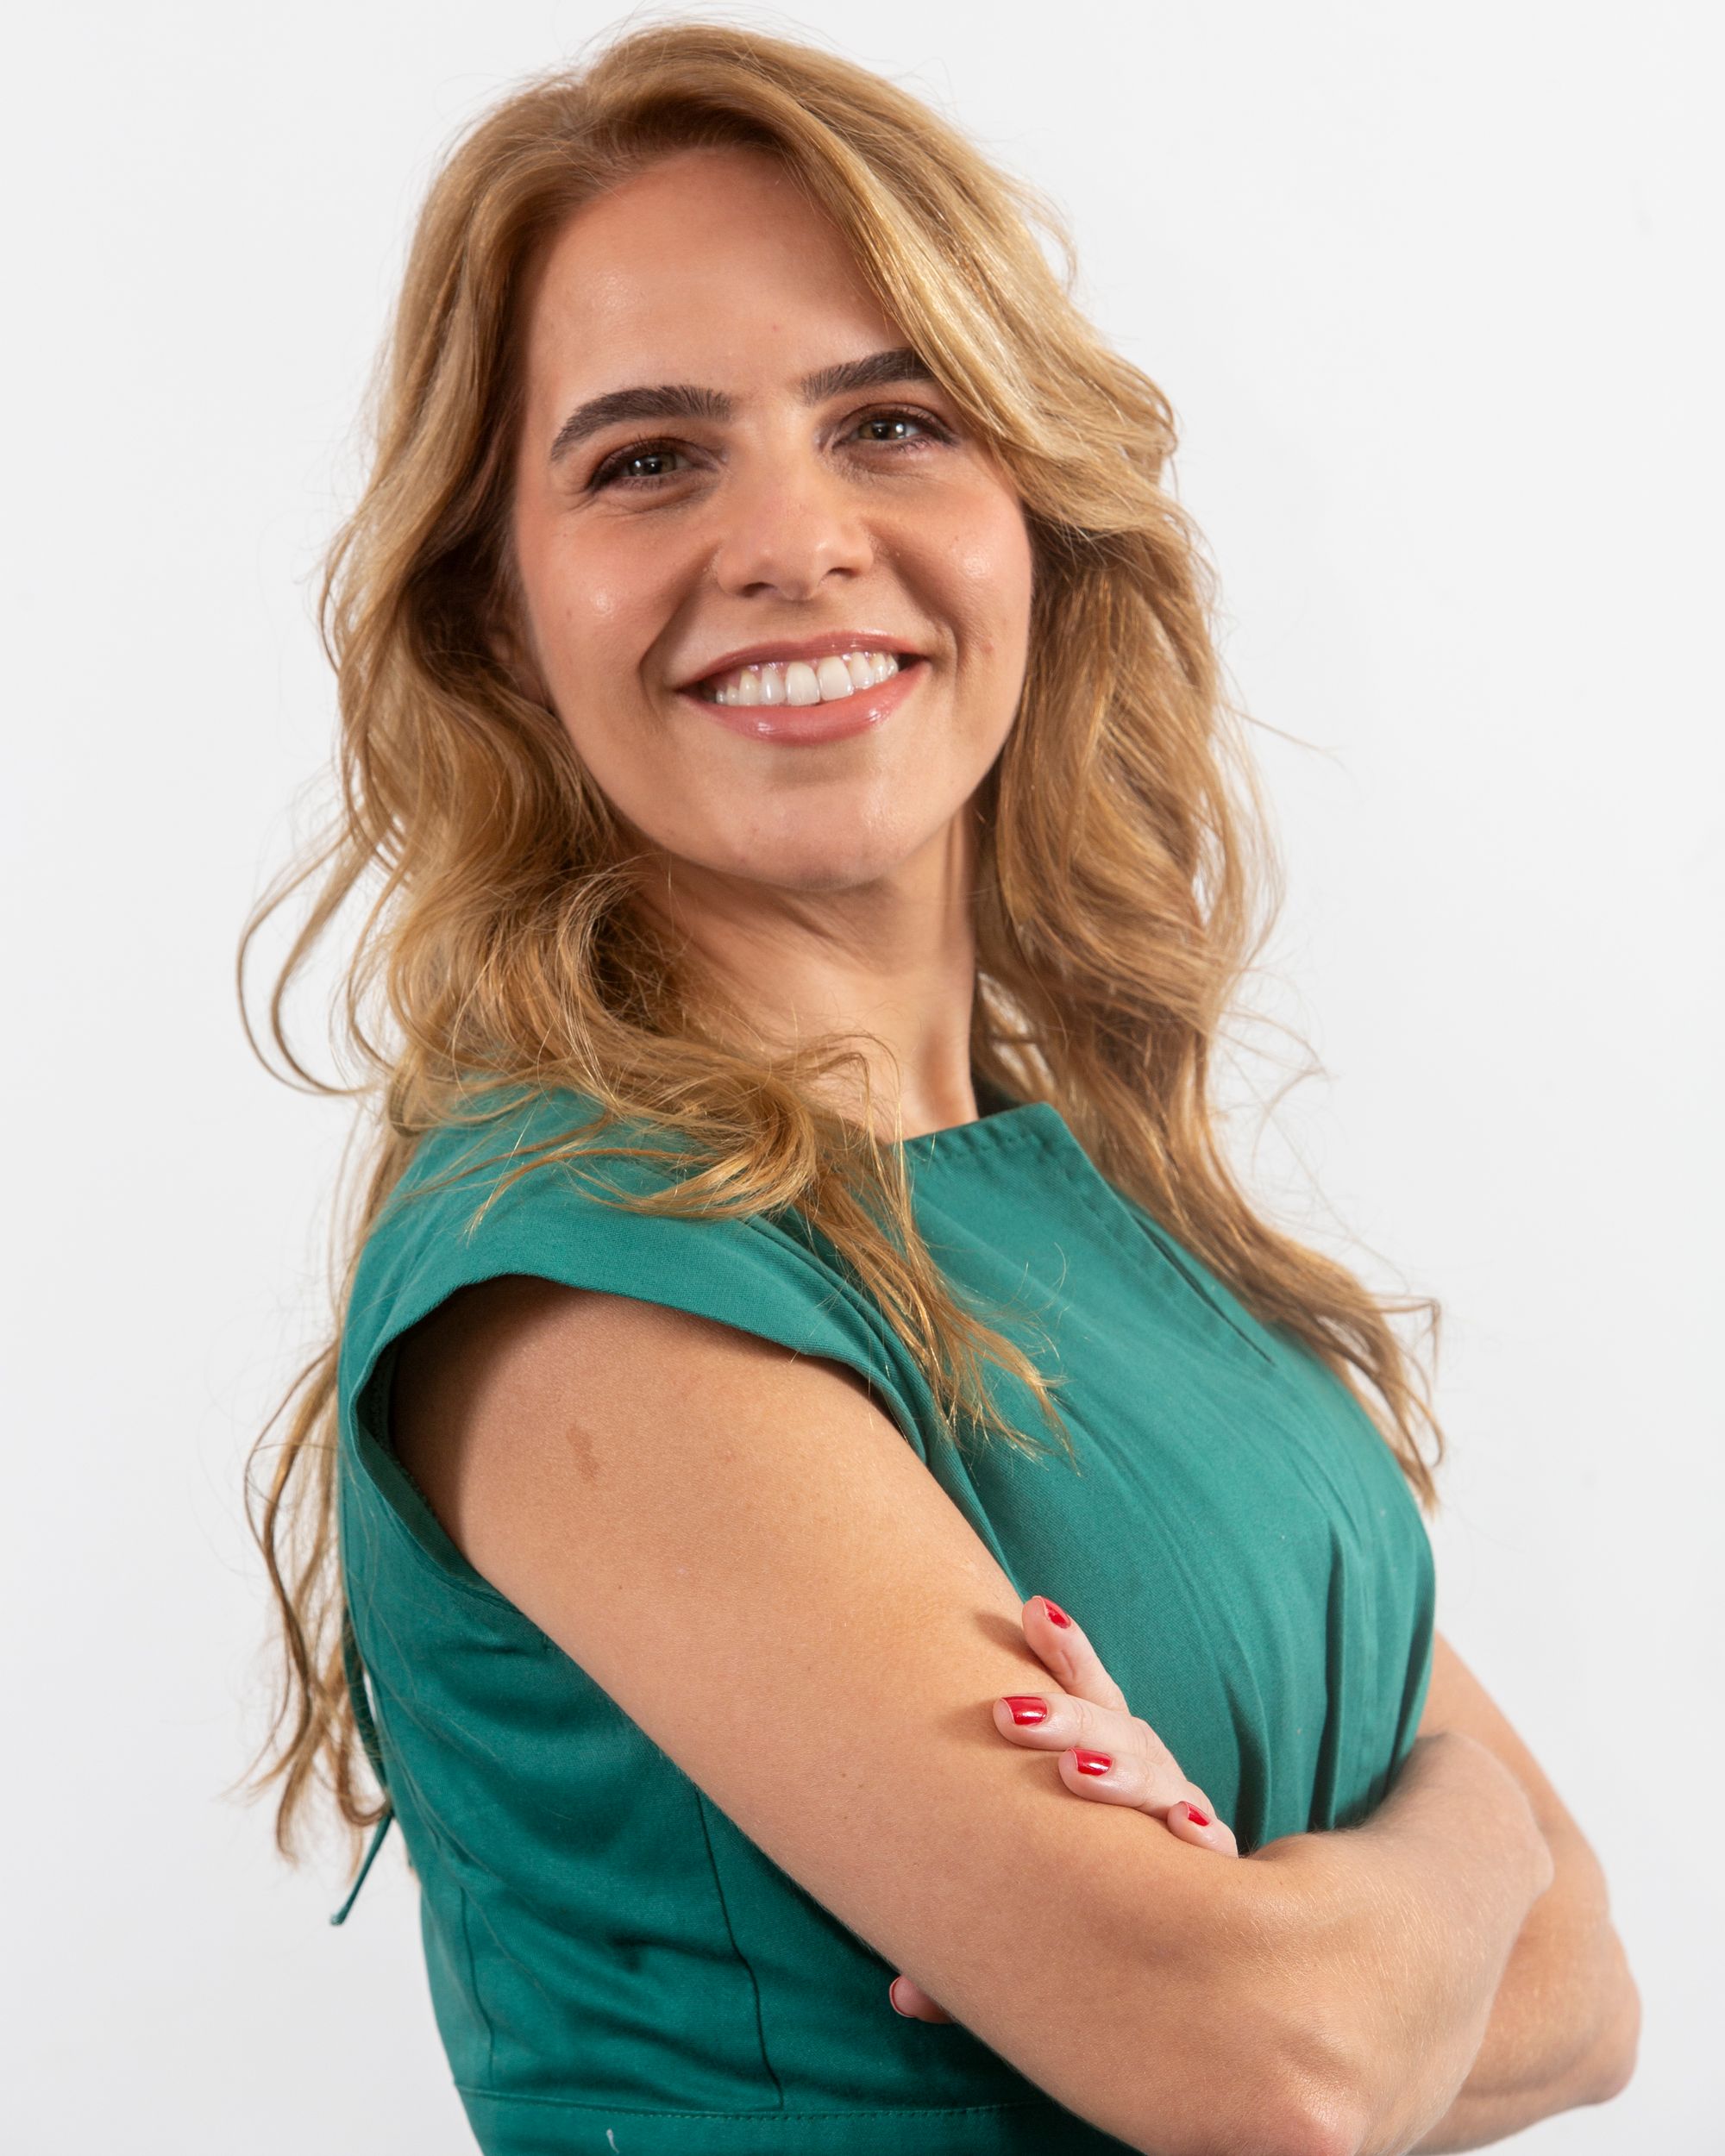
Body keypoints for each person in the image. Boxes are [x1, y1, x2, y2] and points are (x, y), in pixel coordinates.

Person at [240, 21, 1639, 2155]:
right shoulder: (589, 1269)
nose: (794, 541)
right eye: (648, 460)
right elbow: (1279, 2065)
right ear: (498, 618)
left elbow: (1585, 1995)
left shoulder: (1087, 1193)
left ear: (1032, 520)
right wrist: (1471, 1831)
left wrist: (1340, 1936)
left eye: (892, 422)